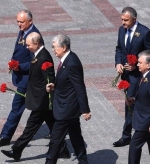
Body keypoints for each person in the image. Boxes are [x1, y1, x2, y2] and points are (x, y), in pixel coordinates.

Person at [1, 32, 70, 161]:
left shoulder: (44, 57)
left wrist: (47, 94)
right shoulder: (37, 55)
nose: (27, 47)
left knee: (30, 128)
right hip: (40, 100)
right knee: (54, 126)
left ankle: (16, 151)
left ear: (36, 44)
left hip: (41, 102)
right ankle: (63, 150)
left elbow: (49, 79)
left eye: (28, 45)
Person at [0, 9, 44, 146]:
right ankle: (60, 139)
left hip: (28, 79)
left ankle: (5, 136)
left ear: (30, 21)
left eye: (22, 22)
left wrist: (19, 66)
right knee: (44, 111)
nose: (19, 25)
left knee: (17, 107)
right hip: (22, 77)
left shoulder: (34, 36)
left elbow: (35, 62)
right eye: (18, 22)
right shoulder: (23, 31)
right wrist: (13, 62)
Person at [113, 6, 150, 147]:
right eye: (122, 19)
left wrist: (137, 64)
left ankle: (128, 135)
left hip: (138, 75)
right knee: (129, 103)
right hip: (125, 74)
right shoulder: (121, 30)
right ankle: (135, 130)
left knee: (131, 104)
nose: (123, 23)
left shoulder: (145, 33)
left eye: (126, 20)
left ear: (134, 19)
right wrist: (118, 63)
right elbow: (119, 48)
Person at [45, 34, 91, 164]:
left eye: (55, 47)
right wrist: (54, 86)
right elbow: (68, 82)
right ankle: (83, 161)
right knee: (76, 137)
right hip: (68, 108)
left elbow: (80, 88)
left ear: (64, 47)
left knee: (55, 140)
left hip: (66, 110)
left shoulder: (72, 63)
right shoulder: (66, 60)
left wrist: (85, 110)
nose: (53, 50)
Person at [126, 50, 150, 164]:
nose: (137, 64)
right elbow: (145, 96)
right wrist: (133, 100)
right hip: (145, 118)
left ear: (148, 64)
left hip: (147, 121)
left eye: (140, 62)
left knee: (134, 146)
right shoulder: (145, 75)